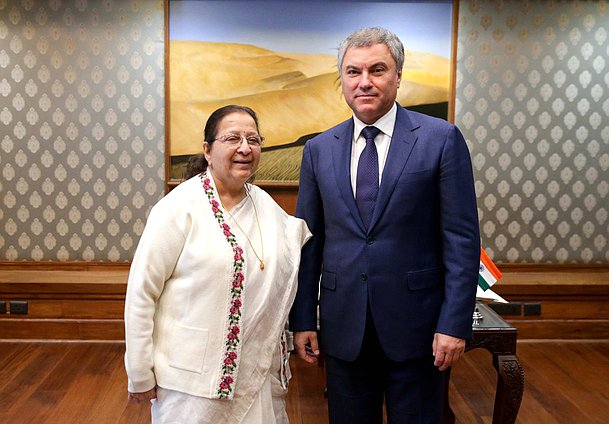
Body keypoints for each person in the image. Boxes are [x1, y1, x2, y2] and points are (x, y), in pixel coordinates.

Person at [289, 27, 480, 423]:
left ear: (398, 76)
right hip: (344, 328)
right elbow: (310, 241)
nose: (365, 82)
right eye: (353, 71)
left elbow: (461, 240)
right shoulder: (319, 149)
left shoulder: (441, 139)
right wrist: (304, 319)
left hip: (420, 328)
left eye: (377, 70)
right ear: (341, 80)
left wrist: (454, 323)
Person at [125, 105, 311, 423]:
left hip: (255, 373)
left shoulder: (266, 205)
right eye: (233, 138)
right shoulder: (177, 209)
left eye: (253, 139)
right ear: (208, 150)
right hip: (190, 382)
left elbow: (291, 258)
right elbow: (142, 294)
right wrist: (140, 373)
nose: (245, 148)